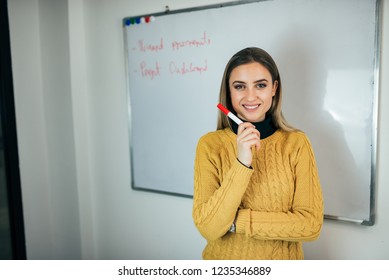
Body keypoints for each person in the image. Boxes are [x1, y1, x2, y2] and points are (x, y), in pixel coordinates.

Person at [192, 47, 324, 260]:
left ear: (274, 88)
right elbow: (209, 228)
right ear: (229, 92)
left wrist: (237, 222)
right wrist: (242, 163)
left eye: (260, 85)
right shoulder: (209, 145)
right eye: (239, 86)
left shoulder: (297, 143)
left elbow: (310, 225)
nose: (250, 96)